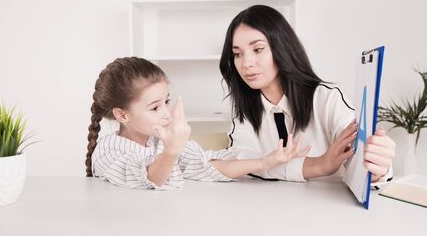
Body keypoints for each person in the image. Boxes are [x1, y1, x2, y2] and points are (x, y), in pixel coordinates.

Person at [219, 5, 395, 185]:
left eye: (257, 49)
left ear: (281, 47)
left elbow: (356, 152)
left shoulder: (327, 99)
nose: (246, 63)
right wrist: (319, 165)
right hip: (267, 209)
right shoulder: (244, 113)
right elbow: (239, 163)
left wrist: (376, 168)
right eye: (237, 54)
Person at [85, 57, 310, 190]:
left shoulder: (159, 143)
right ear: (122, 116)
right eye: (155, 107)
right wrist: (172, 150)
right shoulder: (109, 151)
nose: (166, 113)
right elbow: (151, 179)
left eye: (166, 101)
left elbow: (205, 166)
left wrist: (263, 162)